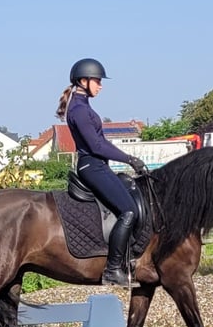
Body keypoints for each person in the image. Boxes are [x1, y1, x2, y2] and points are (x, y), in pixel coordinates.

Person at [55, 58, 146, 287]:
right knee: (128, 211)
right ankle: (113, 269)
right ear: (83, 81)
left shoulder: (83, 106)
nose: (100, 85)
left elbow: (102, 143)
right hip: (91, 166)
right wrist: (129, 159)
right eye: (97, 80)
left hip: (98, 165)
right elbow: (97, 146)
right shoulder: (80, 110)